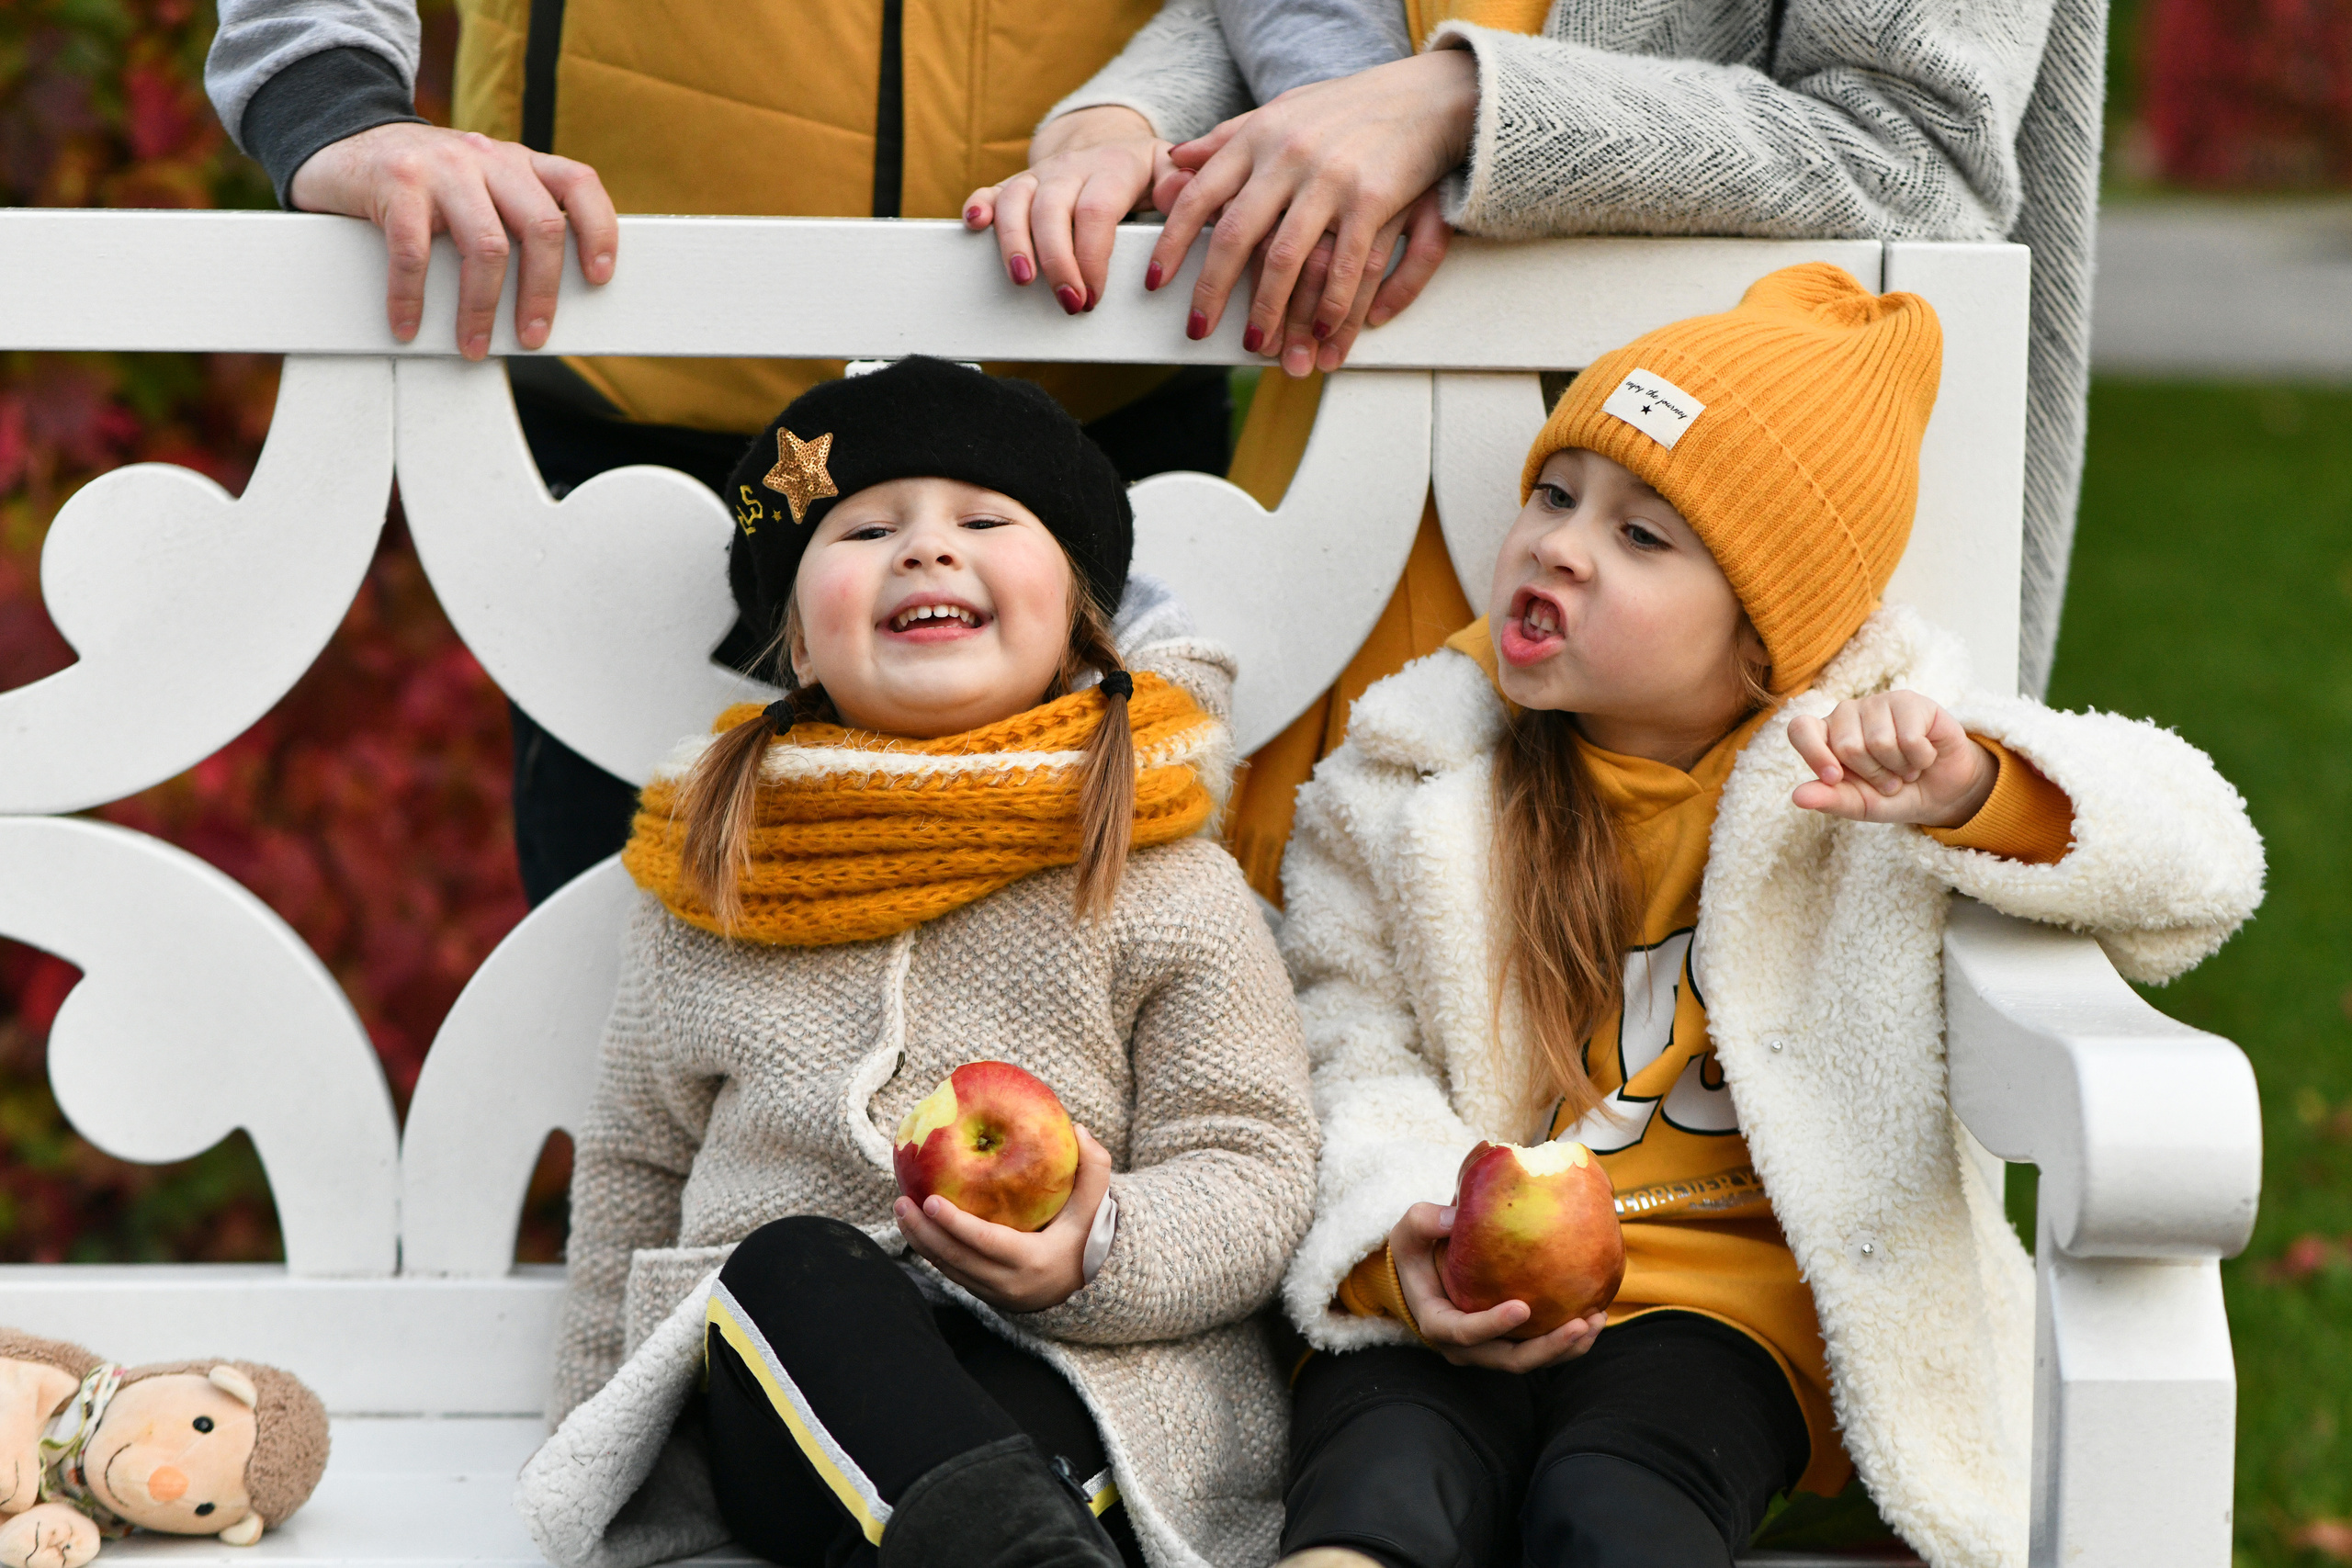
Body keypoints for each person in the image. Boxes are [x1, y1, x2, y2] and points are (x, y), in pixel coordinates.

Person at [1265, 266, 2262, 1568]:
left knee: (1617, 1504)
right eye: (1555, 496)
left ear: (1762, 636)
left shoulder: (1860, 775)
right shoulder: (1406, 782)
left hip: (1724, 1311)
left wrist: (1978, 785)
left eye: (1643, 536)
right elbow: (1350, 1040)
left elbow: (2204, 859)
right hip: (1457, 1278)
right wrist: (1397, 1244)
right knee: (1381, 1485)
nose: (1561, 542)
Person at [972, 0, 2105, 900]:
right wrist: (1130, 119)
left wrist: (1466, 103)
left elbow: (1912, 151)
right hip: (1320, 505)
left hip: (1692, 631)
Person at [509, 357, 1317, 1568]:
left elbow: (1255, 1158)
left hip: (1081, 1400)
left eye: (988, 519)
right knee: (791, 1266)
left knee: (1014, 1463)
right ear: (795, 626)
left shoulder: (1158, 866)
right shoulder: (716, 873)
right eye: (868, 525)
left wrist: (1092, 1249)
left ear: (1082, 607)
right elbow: (636, 1163)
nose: (928, 550)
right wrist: (600, 1459)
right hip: (797, 1413)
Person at [202, 0, 1236, 904]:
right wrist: (331, 97)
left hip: (1103, 409)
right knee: (630, 1014)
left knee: (1131, 991)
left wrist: (1147, 112)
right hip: (635, 420)